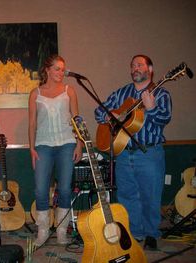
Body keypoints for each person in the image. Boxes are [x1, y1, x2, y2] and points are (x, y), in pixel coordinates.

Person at [94, 54, 172, 250]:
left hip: (149, 153)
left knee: (150, 195)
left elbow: (164, 119)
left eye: (139, 65)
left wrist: (151, 108)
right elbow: (98, 111)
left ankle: (152, 233)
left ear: (150, 70)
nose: (135, 68)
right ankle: (135, 233)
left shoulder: (160, 94)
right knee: (127, 196)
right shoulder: (122, 93)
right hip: (123, 152)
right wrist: (108, 114)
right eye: (132, 66)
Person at [28, 54, 82, 246]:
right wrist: (31, 148)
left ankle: (61, 230)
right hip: (43, 145)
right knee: (41, 189)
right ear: (47, 70)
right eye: (57, 68)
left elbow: (77, 120)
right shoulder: (35, 93)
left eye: (62, 69)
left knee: (65, 188)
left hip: (67, 143)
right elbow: (32, 123)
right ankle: (43, 230)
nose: (61, 72)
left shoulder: (70, 91)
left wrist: (79, 143)